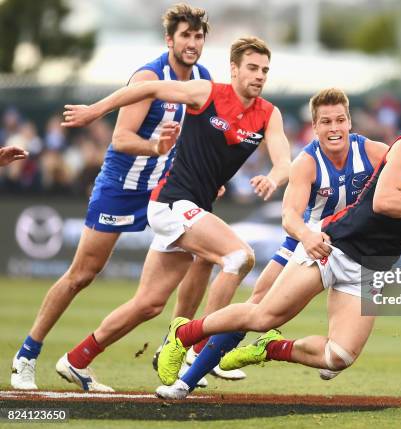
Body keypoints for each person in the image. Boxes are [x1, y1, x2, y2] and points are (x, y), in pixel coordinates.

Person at [154, 94, 401, 391]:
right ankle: (183, 333)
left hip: (372, 267)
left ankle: (270, 349)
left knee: (339, 357)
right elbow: (384, 201)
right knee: (264, 314)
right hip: (334, 245)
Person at [57, 36, 291, 391]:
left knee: (149, 303)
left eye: (265, 70)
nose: (260, 76)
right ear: (234, 69)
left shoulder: (268, 114)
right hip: (171, 202)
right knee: (238, 257)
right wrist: (95, 111)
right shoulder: (206, 92)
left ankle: (77, 359)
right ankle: (199, 349)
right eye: (252, 68)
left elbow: (284, 162)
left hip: (193, 208)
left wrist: (273, 179)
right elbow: (146, 89)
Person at [10, 4, 215, 391]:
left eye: (198, 36)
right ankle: (26, 356)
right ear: (169, 40)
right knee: (81, 275)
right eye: (185, 35)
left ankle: (175, 347)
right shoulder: (149, 76)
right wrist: (156, 147)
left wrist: (207, 176)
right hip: (122, 189)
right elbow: (120, 139)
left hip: (166, 192)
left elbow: (197, 139)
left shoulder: (203, 78)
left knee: (202, 256)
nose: (192, 43)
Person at [158, 88, 389, 398]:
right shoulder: (306, 162)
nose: (334, 128)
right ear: (314, 127)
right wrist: (307, 237)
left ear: (350, 123)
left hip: (356, 254)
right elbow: (290, 217)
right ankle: (189, 375)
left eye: (340, 120)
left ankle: (265, 348)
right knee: (258, 310)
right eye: (325, 122)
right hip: (307, 245)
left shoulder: (374, 152)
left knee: (338, 358)